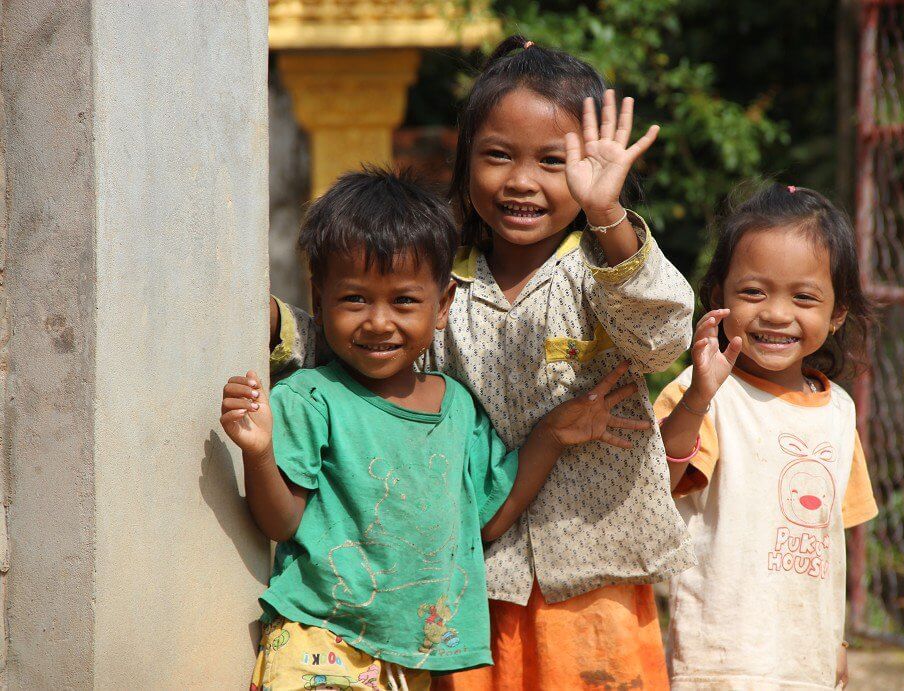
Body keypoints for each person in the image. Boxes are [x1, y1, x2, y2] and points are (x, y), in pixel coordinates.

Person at [268, 36, 697, 689]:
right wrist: (271, 325)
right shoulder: (443, 285)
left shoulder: (601, 269)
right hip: (469, 581)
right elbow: (355, 346)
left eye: (553, 162)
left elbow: (664, 334)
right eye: (498, 155)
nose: (522, 181)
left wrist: (607, 213)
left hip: (593, 573)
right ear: (466, 161)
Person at [222, 168, 650, 690]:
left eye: (404, 301)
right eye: (355, 299)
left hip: (412, 657)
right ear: (319, 300)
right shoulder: (310, 397)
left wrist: (552, 435)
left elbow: (488, 521)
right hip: (319, 641)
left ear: (442, 305)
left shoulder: (459, 409)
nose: (379, 322)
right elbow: (281, 523)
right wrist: (259, 452)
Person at [653, 183, 880, 689]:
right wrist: (696, 400)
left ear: (838, 313)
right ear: (719, 298)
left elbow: (830, 542)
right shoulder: (701, 394)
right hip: (717, 662)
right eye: (754, 292)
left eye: (804, 297)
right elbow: (654, 484)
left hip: (806, 662)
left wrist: (837, 643)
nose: (777, 313)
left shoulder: (839, 412)